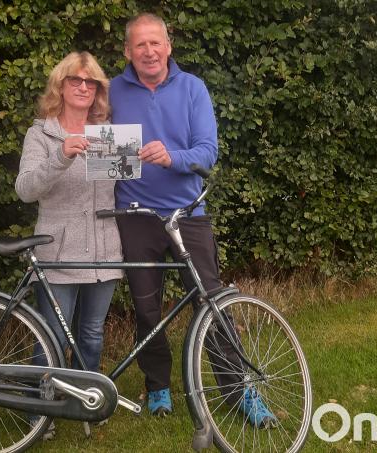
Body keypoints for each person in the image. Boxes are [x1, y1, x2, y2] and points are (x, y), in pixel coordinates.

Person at [109, 13, 276, 426]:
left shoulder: (192, 88)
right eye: (140, 44)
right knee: (147, 309)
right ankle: (157, 387)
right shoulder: (111, 91)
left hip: (188, 216)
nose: (149, 51)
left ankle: (239, 389)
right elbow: (99, 146)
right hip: (136, 216)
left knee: (211, 304)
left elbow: (207, 151)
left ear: (169, 46)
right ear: (128, 51)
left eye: (156, 43)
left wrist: (173, 157)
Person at [15, 51, 122, 377]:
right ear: (60, 86)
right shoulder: (41, 134)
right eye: (75, 79)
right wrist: (60, 156)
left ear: (98, 90)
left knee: (91, 334)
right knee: (53, 337)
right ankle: (42, 400)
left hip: (104, 250)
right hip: (58, 253)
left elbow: (120, 186)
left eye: (91, 82)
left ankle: (83, 397)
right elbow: (25, 189)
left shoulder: (108, 133)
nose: (83, 87)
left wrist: (140, 160)